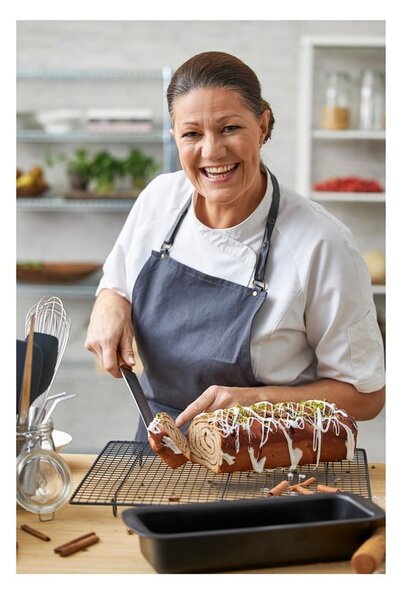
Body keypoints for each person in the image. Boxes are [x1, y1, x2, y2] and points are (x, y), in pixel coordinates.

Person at [85, 51, 385, 442]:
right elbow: (117, 283)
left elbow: (365, 396)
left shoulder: (321, 243)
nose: (212, 152)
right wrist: (109, 305)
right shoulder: (159, 199)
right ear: (175, 135)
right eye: (192, 133)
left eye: (229, 128)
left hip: (271, 470)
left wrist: (260, 402)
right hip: (159, 459)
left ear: (262, 125)